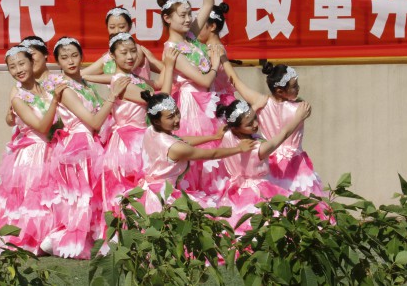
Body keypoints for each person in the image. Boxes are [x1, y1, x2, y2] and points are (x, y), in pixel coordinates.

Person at [40, 36, 129, 259]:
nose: (70, 61)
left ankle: (84, 238)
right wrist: (112, 96)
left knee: (92, 195)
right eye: (64, 57)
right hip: (78, 145)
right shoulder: (65, 89)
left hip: (91, 142)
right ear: (57, 62)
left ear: (82, 57)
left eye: (74, 55)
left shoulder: (85, 85)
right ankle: (64, 240)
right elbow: (94, 121)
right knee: (81, 196)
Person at [158, 0, 227, 193]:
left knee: (214, 151)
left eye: (189, 14)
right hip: (191, 106)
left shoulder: (190, 36)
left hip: (206, 101)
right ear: (168, 18)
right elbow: (203, 80)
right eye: (182, 15)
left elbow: (208, 4)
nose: (188, 19)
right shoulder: (172, 49)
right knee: (199, 155)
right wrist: (215, 62)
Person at [223, 61, 327, 214]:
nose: (298, 88)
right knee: (303, 206)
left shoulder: (261, 101)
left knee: (276, 207)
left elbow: (236, 82)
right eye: (294, 86)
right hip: (294, 164)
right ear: (279, 90)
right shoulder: (301, 108)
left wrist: (224, 60)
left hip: (270, 160)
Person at [0, 46, 66, 255]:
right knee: (32, 199)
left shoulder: (48, 89)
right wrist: (55, 101)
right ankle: (27, 239)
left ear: (32, 63)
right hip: (32, 154)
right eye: (12, 67)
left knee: (51, 198)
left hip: (53, 149)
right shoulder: (18, 98)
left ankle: (48, 239)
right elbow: (41, 126)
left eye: (22, 63)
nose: (18, 70)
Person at [139, 91, 258, 213]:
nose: (177, 119)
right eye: (170, 117)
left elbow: (181, 140)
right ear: (157, 121)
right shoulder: (176, 148)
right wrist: (239, 149)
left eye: (177, 112)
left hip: (150, 190)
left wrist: (214, 137)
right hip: (164, 197)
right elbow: (212, 154)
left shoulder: (151, 130)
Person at [99, 34, 177, 218]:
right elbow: (162, 100)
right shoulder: (121, 81)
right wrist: (169, 66)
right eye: (124, 52)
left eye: (133, 51)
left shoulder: (133, 77)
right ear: (112, 56)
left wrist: (160, 62)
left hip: (140, 137)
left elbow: (158, 84)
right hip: (129, 142)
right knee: (132, 188)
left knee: (143, 187)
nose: (130, 57)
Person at [216, 98, 311, 233]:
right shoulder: (258, 149)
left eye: (255, 118)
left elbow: (238, 121)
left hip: (234, 192)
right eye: (249, 124)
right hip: (258, 192)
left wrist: (254, 107)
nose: (255, 124)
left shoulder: (227, 135)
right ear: (236, 127)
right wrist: (298, 118)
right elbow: (283, 135)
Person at [82, 7, 164, 84]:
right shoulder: (109, 56)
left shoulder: (136, 50)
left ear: (130, 26)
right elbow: (83, 73)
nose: (117, 31)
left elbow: (122, 75)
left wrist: (87, 77)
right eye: (112, 27)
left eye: (121, 27)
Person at [4, 36, 57, 127]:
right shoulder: (18, 89)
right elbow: (10, 119)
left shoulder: (58, 80)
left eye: (32, 54)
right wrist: (11, 116)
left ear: (45, 54)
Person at [197, 3, 236, 107]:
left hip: (216, 102)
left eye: (200, 24)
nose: (196, 28)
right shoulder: (211, 48)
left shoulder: (214, 50)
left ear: (212, 26)